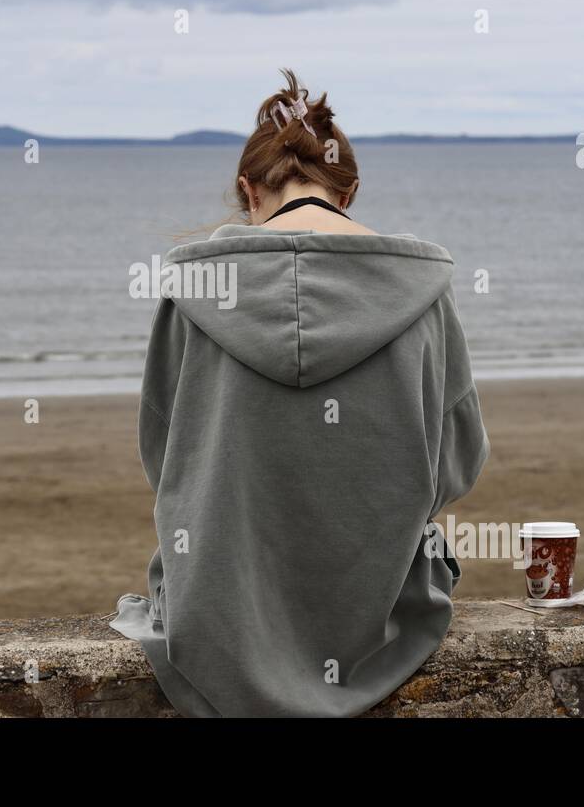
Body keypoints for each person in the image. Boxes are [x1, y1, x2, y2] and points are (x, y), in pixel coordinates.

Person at [109, 69, 489, 717]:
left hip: (216, 616)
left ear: (246, 190)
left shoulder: (195, 290)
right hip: (382, 614)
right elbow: (456, 464)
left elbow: (164, 460)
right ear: (351, 191)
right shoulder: (423, 292)